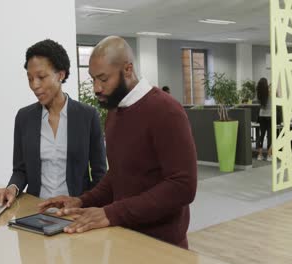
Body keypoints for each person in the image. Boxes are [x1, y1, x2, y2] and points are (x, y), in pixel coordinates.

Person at [37, 36, 197, 249]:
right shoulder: (115, 111)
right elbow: (119, 176)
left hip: (162, 246)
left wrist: (111, 213)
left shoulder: (166, 110)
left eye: (103, 79)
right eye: (93, 79)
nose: (96, 88)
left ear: (128, 69)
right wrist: (83, 201)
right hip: (124, 238)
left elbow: (183, 186)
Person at [0, 39, 107, 207]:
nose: (34, 85)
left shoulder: (87, 116)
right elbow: (20, 170)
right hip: (35, 210)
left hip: (75, 212)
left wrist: (87, 206)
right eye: (30, 79)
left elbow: (100, 174)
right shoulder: (24, 117)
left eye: (41, 77)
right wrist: (12, 188)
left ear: (61, 75)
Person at [256, 77, 272, 161]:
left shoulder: (259, 94)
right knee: (270, 135)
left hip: (261, 115)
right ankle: (269, 155)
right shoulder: (270, 92)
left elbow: (259, 103)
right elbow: (278, 97)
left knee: (261, 135)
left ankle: (260, 155)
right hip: (270, 116)